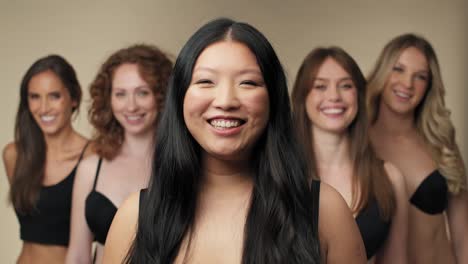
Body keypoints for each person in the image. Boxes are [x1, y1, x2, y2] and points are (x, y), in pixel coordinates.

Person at [103, 18, 366, 264]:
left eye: (248, 83)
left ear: (273, 100)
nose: (226, 100)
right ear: (180, 98)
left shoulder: (324, 211)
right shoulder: (134, 217)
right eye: (206, 81)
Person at [291, 47, 408, 263]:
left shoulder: (390, 178)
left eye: (346, 86)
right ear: (301, 97)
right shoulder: (280, 173)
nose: (334, 96)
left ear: (359, 95)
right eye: (320, 86)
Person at [65, 44, 172, 264]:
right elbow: (77, 256)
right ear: (108, 99)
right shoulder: (90, 169)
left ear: (161, 96)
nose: (131, 106)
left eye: (142, 92)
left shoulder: (181, 164)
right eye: (120, 94)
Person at [367, 33, 468, 263]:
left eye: (420, 77)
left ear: (429, 86)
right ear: (383, 71)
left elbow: (463, 235)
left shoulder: (441, 142)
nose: (407, 84)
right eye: (398, 69)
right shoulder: (357, 144)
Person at [2, 55, 90, 264]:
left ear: (74, 98)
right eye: (34, 97)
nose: (43, 108)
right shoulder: (14, 155)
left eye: (54, 96)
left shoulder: (94, 157)